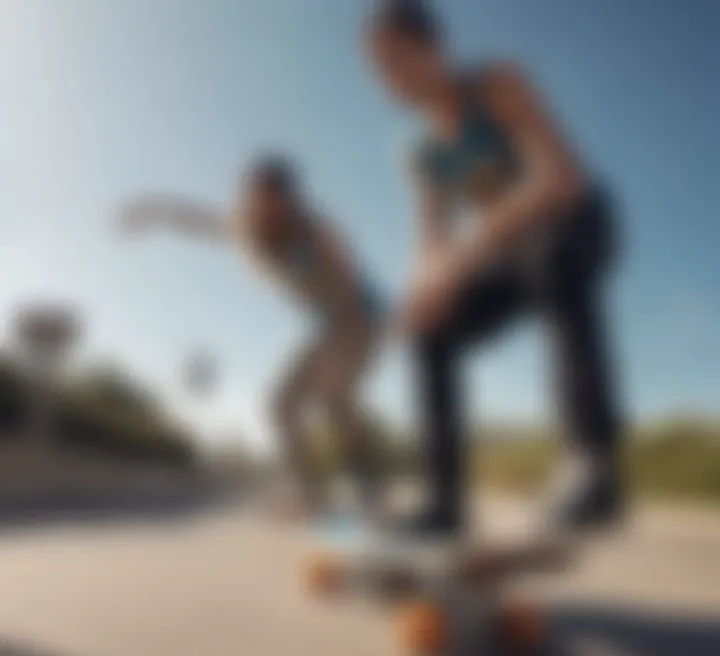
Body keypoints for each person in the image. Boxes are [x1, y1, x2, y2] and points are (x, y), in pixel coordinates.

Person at [363, 0, 624, 537]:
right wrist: (422, 293)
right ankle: (443, 503)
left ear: (433, 50)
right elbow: (429, 244)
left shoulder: (497, 85)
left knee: (550, 249)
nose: (388, 82)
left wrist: (467, 248)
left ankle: (591, 465)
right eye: (378, 71)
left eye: (396, 61)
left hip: (575, 222)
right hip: (506, 254)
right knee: (427, 327)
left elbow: (561, 177)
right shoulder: (418, 151)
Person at [119, 156, 385, 517]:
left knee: (333, 398)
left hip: (360, 317)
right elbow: (196, 219)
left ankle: (366, 484)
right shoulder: (243, 225)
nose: (265, 210)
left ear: (289, 200)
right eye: (257, 199)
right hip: (325, 326)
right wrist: (151, 210)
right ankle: (311, 492)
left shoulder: (315, 229)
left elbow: (348, 280)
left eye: (275, 200)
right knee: (279, 404)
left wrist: (337, 355)